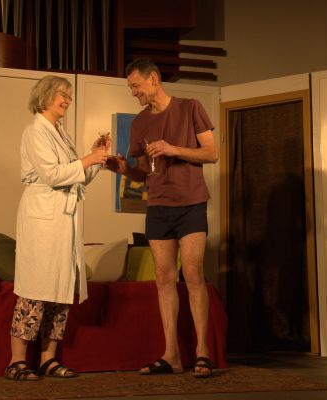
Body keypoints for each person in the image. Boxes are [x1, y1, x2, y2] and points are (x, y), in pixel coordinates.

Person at [106, 58, 219, 378]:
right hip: (157, 206)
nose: (133, 92)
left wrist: (173, 149)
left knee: (193, 273)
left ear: (153, 79)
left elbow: (211, 153)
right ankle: (171, 355)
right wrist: (124, 169)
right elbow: (142, 173)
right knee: (164, 277)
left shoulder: (190, 107)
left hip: (191, 203)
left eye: (135, 86)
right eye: (131, 88)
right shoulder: (140, 123)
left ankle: (202, 353)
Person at [5, 75, 110, 381]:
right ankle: (16, 361)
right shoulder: (35, 131)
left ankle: (48, 359)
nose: (67, 100)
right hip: (42, 219)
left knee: (60, 290)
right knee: (35, 288)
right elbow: (52, 175)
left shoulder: (61, 133)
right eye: (62, 94)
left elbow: (75, 177)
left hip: (65, 220)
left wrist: (94, 160)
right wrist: (87, 159)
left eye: (69, 96)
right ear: (46, 95)